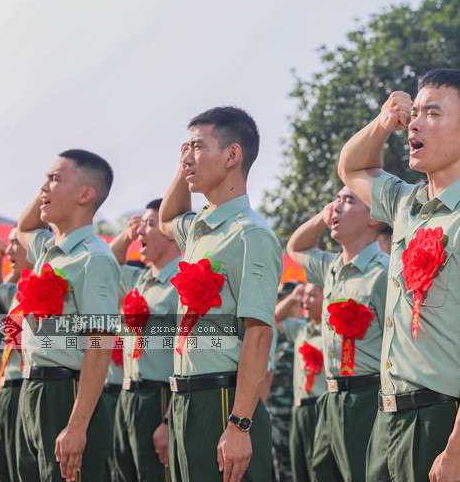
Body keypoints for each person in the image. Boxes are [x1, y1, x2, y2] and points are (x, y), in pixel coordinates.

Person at [338, 68, 460, 481]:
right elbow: (351, 167)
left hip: (442, 420)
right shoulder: (406, 203)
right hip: (388, 420)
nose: (414, 124)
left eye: (432, 114)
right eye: (413, 113)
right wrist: (384, 121)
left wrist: (459, 447)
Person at [158, 106, 282, 482]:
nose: (186, 157)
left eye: (197, 147)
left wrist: (241, 424)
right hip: (185, 400)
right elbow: (167, 219)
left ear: (232, 156)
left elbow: (259, 334)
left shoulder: (250, 234)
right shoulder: (200, 228)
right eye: (185, 148)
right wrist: (186, 165)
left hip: (224, 400)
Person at [14, 149, 121, 482]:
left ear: (86, 194)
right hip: (33, 390)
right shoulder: (50, 249)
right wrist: (49, 187)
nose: (43, 187)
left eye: (55, 178)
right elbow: (24, 226)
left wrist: (76, 427)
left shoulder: (94, 257)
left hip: (67, 394)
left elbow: (100, 345)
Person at [285, 188, 390, 482]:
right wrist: (322, 216)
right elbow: (296, 247)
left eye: (348, 200)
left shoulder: (384, 272)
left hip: (367, 398)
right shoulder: (331, 266)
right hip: (329, 398)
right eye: (336, 200)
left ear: (373, 216)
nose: (336, 207)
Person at [108, 200, 181, 481]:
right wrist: (126, 236)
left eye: (150, 225)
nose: (141, 233)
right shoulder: (140, 281)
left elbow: (188, 358)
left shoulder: (183, 283)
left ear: (171, 233)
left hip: (159, 397)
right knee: (123, 474)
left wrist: (167, 420)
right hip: (127, 396)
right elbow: (109, 262)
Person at [0, 230, 33, 482]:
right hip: (4, 390)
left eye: (16, 242)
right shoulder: (14, 291)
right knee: (4, 470)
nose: (10, 248)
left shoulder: (52, 284)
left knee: (24, 469)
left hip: (27, 387)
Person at [274, 283, 327, 481]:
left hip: (320, 408)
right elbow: (276, 317)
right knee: (299, 469)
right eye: (305, 296)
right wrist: (294, 297)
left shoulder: (332, 331)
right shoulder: (301, 329)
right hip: (298, 410)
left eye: (313, 295)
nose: (306, 301)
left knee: (320, 471)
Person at [266, 282, 297, 481]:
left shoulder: (305, 330)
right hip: (273, 412)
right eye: (278, 299)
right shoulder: (272, 333)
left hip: (297, 413)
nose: (280, 303)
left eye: (285, 299)